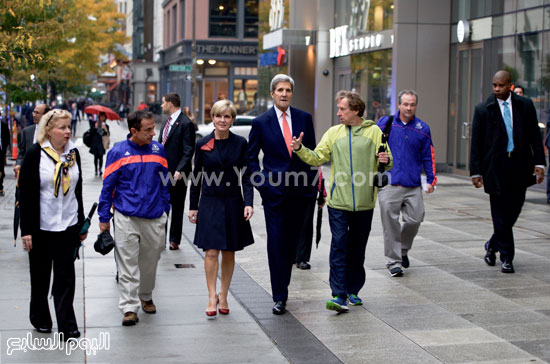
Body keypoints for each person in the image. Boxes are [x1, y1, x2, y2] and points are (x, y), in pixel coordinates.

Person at [291, 90, 391, 313]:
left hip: (365, 202)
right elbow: (317, 157)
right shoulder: (333, 133)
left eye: (342, 109)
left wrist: (385, 159)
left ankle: (353, 289)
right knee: (339, 246)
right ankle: (338, 294)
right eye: (338, 109)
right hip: (338, 202)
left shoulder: (374, 132)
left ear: (356, 110)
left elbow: (388, 160)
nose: (338, 113)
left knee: (357, 248)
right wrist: (299, 149)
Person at [248, 74, 318, 315]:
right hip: (274, 194)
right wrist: (263, 185)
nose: (284, 93)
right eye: (280, 90)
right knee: (276, 244)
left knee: (290, 247)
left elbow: (313, 154)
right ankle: (280, 295)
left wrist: (313, 185)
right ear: (272, 93)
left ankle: (284, 286)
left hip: (300, 193)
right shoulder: (261, 122)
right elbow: (251, 159)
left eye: (288, 90)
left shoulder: (304, 119)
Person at [18, 109, 87, 340]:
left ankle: (67, 325)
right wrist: (26, 230)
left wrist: (80, 223)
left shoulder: (73, 154)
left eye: (69, 127)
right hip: (41, 226)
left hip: (67, 225)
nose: (67, 132)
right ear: (48, 130)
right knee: (40, 277)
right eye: (62, 128)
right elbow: (25, 194)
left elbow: (77, 189)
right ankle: (40, 318)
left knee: (66, 277)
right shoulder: (35, 154)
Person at [98, 110, 170, 326]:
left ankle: (145, 295)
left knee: (150, 261)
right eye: (147, 129)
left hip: (154, 216)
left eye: (152, 128)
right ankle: (129, 307)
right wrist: (104, 218)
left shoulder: (159, 150)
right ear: (133, 131)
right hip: (126, 216)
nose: (152, 132)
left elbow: (165, 182)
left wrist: (165, 207)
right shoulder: (118, 152)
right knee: (127, 262)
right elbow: (108, 186)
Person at [470, 70, 546, 274]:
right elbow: (476, 143)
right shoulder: (483, 109)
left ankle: (492, 244)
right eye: (494, 85)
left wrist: (540, 163)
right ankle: (506, 257)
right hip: (495, 168)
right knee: (499, 213)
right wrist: (475, 171)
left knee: (514, 209)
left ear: (510, 86)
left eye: (501, 85)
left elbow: (534, 137)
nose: (496, 89)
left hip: (519, 166)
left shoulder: (525, 105)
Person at [188, 100, 254, 318]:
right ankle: (211, 295)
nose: (222, 120)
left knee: (229, 251)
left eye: (227, 117)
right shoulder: (203, 144)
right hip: (209, 201)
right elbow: (196, 177)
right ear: (212, 118)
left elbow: (246, 175)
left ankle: (223, 295)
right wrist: (193, 206)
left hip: (233, 201)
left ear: (232, 119)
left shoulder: (240, 143)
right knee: (211, 251)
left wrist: (248, 202)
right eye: (218, 116)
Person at [377, 90, 437, 277]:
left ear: (416, 106)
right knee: (391, 225)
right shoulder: (385, 124)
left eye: (412, 104)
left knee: (415, 219)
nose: (409, 108)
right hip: (389, 184)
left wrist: (431, 178)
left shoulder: (422, 128)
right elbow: (371, 146)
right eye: (405, 104)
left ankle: (402, 250)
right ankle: (394, 262)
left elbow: (429, 155)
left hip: (412, 185)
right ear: (399, 105)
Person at [159, 93, 196, 250]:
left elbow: (188, 150)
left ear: (170, 103)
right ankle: (160, 240)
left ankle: (174, 240)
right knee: (162, 206)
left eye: (163, 102)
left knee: (177, 207)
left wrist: (180, 169)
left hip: (178, 173)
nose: (161, 106)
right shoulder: (165, 122)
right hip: (163, 172)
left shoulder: (185, 123)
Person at [295, 166, 326, 270]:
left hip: (309, 183)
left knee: (306, 222)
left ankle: (302, 257)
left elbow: (317, 162)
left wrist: (322, 189)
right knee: (290, 221)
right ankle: (293, 254)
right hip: (289, 181)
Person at [15, 104, 51, 178]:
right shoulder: (27, 131)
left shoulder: (52, 132)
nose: (34, 115)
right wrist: (18, 164)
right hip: (29, 174)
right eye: (33, 112)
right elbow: (22, 153)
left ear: (46, 115)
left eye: (37, 113)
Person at [89, 112, 110, 176]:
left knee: (101, 156)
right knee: (95, 157)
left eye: (103, 117)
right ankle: (95, 169)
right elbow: (91, 132)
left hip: (102, 142)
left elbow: (107, 134)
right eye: (101, 117)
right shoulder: (95, 123)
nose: (102, 118)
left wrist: (105, 129)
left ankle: (100, 169)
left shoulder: (106, 125)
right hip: (95, 142)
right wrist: (95, 127)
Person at [0, 118, 10, 196]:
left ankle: (0, 187)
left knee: (1, 169)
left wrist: (5, 148)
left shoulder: (4, 125)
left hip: (1, 149)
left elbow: (7, 137)